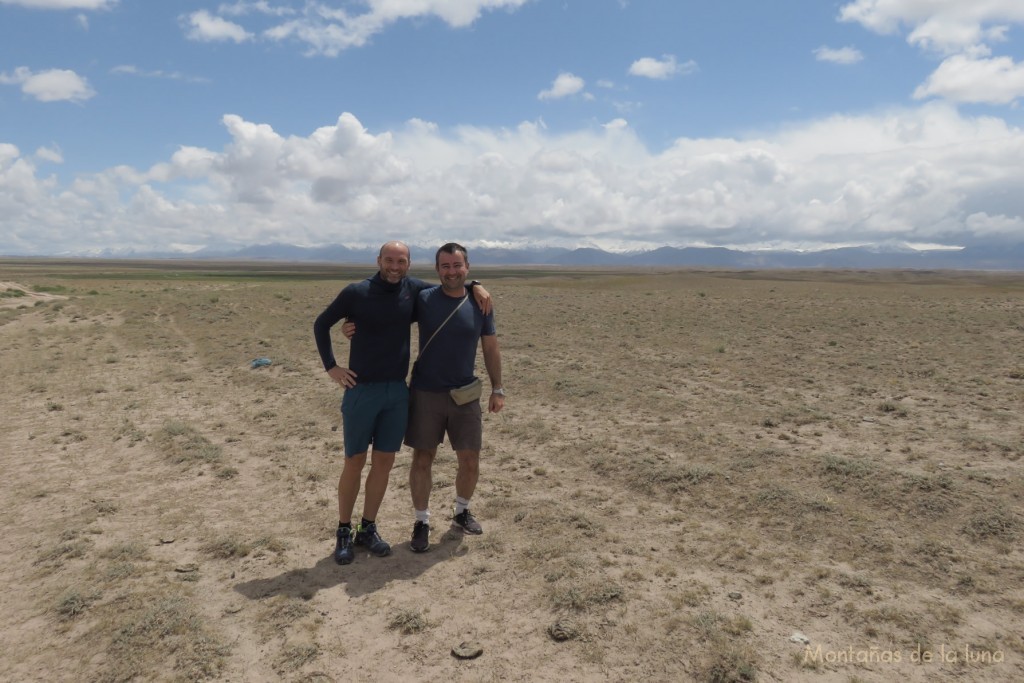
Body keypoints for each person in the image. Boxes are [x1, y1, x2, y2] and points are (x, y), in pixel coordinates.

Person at [313, 241, 490, 565]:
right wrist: (332, 367)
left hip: (397, 392)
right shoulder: (356, 292)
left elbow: (451, 285)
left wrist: (475, 285)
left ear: (409, 264)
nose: (395, 266)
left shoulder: (415, 292)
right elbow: (321, 324)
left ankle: (368, 528)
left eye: (402, 261)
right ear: (378, 260)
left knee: (384, 463)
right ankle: (343, 529)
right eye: (389, 260)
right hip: (361, 390)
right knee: (354, 461)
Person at [404, 242, 504, 553]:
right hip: (426, 393)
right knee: (423, 459)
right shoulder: (424, 298)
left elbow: (490, 346)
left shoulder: (481, 305)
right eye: (445, 266)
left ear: (467, 267)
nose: (451, 271)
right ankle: (421, 520)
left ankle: (462, 512)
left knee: (470, 459)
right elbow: (386, 309)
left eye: (457, 266)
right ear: (437, 270)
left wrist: (497, 388)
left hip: (465, 395)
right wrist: (353, 327)